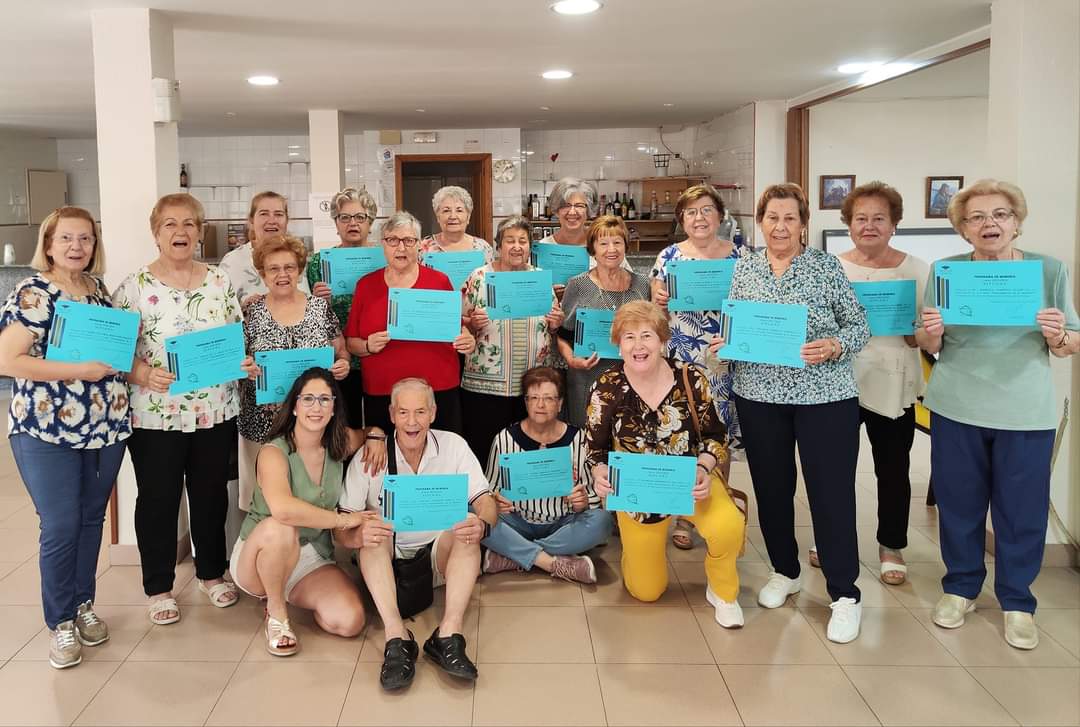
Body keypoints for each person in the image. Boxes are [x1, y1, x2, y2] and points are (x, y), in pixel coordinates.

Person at [916, 179, 1079, 650]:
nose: (990, 224)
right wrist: (931, 331)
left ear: (1017, 222)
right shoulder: (947, 271)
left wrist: (1056, 334)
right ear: (963, 229)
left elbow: (1070, 342)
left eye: (1000, 214)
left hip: (1024, 411)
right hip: (957, 405)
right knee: (958, 504)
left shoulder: (1048, 271)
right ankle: (961, 588)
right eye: (977, 217)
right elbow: (927, 342)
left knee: (1022, 510)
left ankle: (1017, 601)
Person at [715, 183, 870, 643]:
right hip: (759, 395)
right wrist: (727, 342)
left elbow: (859, 325)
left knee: (830, 494)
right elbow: (736, 324)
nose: (780, 227)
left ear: (803, 223)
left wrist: (835, 344)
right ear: (760, 222)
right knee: (772, 489)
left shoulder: (826, 267)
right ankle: (785, 570)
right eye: (772, 218)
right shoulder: (745, 267)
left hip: (825, 397)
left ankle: (845, 594)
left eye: (789, 218)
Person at [113, 193, 258, 626]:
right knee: (158, 499)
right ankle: (159, 586)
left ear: (200, 232)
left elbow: (235, 339)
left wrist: (243, 363)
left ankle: (211, 573)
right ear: (155, 233)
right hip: (155, 414)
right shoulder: (134, 287)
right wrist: (142, 373)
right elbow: (115, 353)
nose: (181, 232)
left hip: (215, 410)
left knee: (210, 495)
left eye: (190, 224)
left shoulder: (219, 281)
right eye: (170, 224)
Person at [0, 207, 130, 669]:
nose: (77, 247)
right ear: (49, 244)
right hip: (46, 429)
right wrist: (78, 370)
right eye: (67, 238)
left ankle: (82, 603)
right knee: (59, 524)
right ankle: (60, 622)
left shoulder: (98, 291)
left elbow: (115, 354)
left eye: (86, 238)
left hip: (105, 427)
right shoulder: (33, 293)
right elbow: (8, 360)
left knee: (91, 519)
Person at [586, 301, 745, 626]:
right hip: (638, 495)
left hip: (690, 482)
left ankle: (723, 590)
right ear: (618, 344)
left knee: (728, 526)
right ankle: (636, 554)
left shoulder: (691, 377)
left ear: (662, 340)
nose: (638, 346)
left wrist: (703, 468)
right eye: (629, 337)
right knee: (646, 591)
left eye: (647, 335)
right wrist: (600, 473)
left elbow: (716, 436)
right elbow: (595, 449)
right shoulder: (606, 386)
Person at [337, 378, 497, 690]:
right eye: (404, 412)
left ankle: (448, 634)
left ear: (433, 413)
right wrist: (357, 537)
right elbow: (341, 528)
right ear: (391, 414)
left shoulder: (454, 446)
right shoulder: (370, 456)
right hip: (387, 562)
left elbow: (485, 501)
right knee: (372, 531)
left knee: (467, 524)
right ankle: (397, 637)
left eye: (420, 412)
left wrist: (483, 524)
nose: (412, 422)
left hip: (439, 555)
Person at [811, 181, 928, 586]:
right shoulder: (830, 267)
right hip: (837, 378)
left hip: (893, 379)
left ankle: (891, 544)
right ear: (848, 223)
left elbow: (925, 333)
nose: (869, 225)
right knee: (833, 468)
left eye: (879, 218)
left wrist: (917, 332)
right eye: (861, 218)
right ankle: (830, 539)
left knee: (893, 468)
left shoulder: (917, 270)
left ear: (894, 224)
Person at [230, 368, 376, 656]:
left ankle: (286, 589)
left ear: (334, 408)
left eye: (324, 399)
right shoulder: (274, 452)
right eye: (307, 399)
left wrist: (377, 436)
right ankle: (276, 612)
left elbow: (369, 432)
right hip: (260, 552)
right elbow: (283, 510)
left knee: (350, 621)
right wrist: (343, 520)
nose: (316, 407)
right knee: (281, 527)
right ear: (295, 407)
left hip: (311, 555)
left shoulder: (340, 442)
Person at [650, 183, 745, 550]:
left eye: (706, 210)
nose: (699, 218)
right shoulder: (669, 257)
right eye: (691, 212)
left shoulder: (740, 257)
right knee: (683, 431)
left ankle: (717, 505)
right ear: (682, 220)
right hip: (682, 357)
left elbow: (751, 308)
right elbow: (656, 314)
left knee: (719, 434)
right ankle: (684, 515)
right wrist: (659, 300)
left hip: (724, 361)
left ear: (720, 216)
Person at [238, 233, 352, 511]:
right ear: (263, 274)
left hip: (314, 423)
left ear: (300, 270)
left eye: (289, 267)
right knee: (266, 503)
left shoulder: (319, 308)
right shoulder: (250, 312)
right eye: (273, 269)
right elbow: (237, 361)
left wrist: (343, 363)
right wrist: (245, 368)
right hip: (262, 423)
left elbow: (341, 350)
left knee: (312, 499)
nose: (282, 275)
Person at [344, 211, 475, 435]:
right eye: (392, 240)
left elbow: (457, 329)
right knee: (387, 453)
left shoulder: (439, 281)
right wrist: (367, 346)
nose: (401, 248)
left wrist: (467, 339)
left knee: (443, 452)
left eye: (408, 240)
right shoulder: (366, 285)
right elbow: (351, 343)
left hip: (437, 388)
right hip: (383, 391)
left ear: (419, 245)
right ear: (383, 244)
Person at [481, 366, 611, 582]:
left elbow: (593, 497)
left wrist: (583, 503)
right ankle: (550, 561)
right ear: (526, 402)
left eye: (549, 398)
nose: (540, 405)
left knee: (603, 521)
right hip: (517, 522)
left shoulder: (579, 439)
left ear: (560, 403)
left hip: (564, 523)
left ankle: (514, 555)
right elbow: (488, 490)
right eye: (533, 398)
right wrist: (495, 501)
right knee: (473, 514)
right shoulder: (504, 438)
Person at [460, 216, 563, 460]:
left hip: (533, 386)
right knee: (485, 451)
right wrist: (472, 323)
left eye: (522, 241)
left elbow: (551, 327)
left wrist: (556, 324)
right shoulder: (479, 277)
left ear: (529, 247)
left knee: (526, 454)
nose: (517, 246)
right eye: (510, 240)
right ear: (499, 245)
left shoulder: (540, 278)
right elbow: (459, 321)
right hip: (485, 387)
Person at [556, 215, 650, 428]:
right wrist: (572, 360)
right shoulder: (578, 285)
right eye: (604, 243)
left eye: (617, 242)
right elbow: (562, 335)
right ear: (593, 249)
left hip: (633, 378)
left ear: (625, 246)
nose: (611, 249)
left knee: (628, 435)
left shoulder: (642, 285)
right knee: (588, 436)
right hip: (587, 378)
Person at [308, 187, 380, 427]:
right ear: (336, 223)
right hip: (339, 359)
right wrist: (319, 302)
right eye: (345, 217)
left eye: (360, 217)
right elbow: (311, 317)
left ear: (370, 222)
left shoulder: (384, 259)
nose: (353, 223)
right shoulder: (319, 262)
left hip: (377, 352)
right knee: (344, 425)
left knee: (379, 424)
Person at [218, 190, 311, 302]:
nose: (272, 221)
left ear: (287, 221)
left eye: (278, 214)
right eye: (264, 214)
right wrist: (242, 309)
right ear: (251, 221)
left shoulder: (299, 257)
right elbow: (219, 306)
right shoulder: (232, 262)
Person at [419, 185, 494, 264]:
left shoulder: (483, 248)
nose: (453, 216)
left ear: (468, 216)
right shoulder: (422, 247)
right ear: (438, 217)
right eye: (446, 211)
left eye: (459, 210)